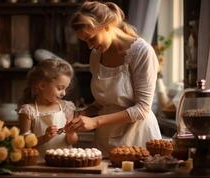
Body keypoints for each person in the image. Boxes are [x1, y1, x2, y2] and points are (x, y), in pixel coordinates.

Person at [67, 1, 162, 156]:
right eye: (85, 42)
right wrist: (84, 113)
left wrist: (96, 121)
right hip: (105, 139)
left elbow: (142, 109)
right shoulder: (96, 55)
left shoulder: (141, 52)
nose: (90, 46)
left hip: (137, 137)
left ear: (107, 26)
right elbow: (103, 102)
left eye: (92, 39)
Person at [18, 59, 78, 156]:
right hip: (40, 163)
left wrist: (70, 134)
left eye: (66, 88)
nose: (64, 93)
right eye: (60, 88)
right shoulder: (28, 111)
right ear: (42, 85)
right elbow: (24, 143)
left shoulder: (66, 108)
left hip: (65, 160)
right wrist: (45, 138)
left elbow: (72, 141)